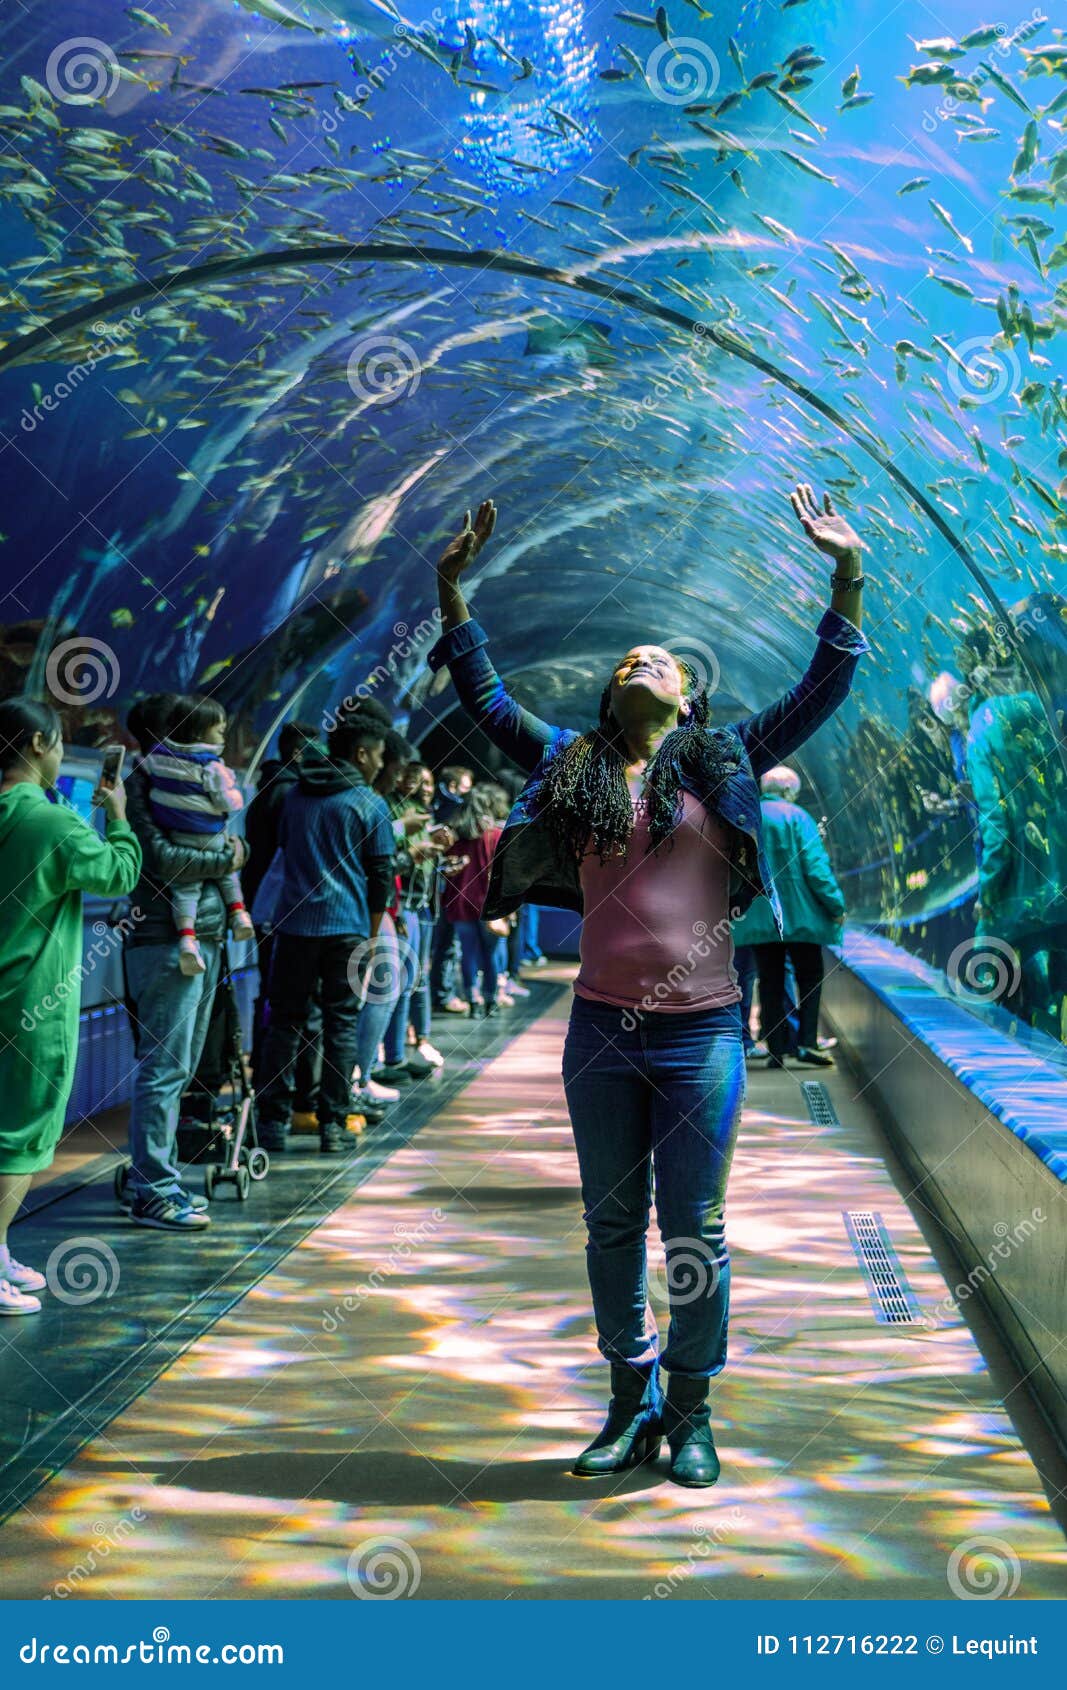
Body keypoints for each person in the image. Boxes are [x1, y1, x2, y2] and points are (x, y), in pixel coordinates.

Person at [428, 486, 869, 1487]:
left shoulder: (722, 760)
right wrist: (451, 592)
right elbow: (485, 702)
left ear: (690, 701)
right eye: (627, 658)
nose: (640, 660)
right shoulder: (571, 762)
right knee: (610, 1223)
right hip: (599, 1029)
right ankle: (626, 1399)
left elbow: (819, 690)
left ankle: (691, 1403)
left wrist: (845, 571)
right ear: (608, 694)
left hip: (701, 1030)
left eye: (660, 660)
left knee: (693, 1228)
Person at [0, 699, 141, 1312]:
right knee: (22, 1139)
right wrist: (119, 816)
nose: (61, 756)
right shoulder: (50, 823)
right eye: (58, 744)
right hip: (32, 1002)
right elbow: (118, 873)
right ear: (36, 744)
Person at [123, 693, 251, 1230]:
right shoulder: (143, 783)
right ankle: (152, 1188)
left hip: (207, 937)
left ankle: (156, 1178)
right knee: (164, 1066)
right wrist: (230, 857)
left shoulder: (195, 776)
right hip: (163, 938)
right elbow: (163, 857)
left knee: (181, 1067)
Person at [255, 707, 394, 1154]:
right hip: (347, 930)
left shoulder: (294, 796)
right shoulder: (370, 804)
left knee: (284, 1023)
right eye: (377, 756)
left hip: (293, 927)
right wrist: (373, 938)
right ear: (360, 753)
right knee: (341, 1025)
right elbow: (379, 877)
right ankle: (332, 1125)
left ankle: (271, 1122)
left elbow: (284, 848)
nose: (379, 764)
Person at [736, 766, 846, 1069]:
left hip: (761, 916)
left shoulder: (750, 815)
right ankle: (807, 1043)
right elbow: (816, 868)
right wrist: (836, 906)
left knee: (769, 980)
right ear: (789, 791)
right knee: (809, 976)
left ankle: (775, 1048)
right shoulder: (798, 817)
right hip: (801, 916)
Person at [140, 695, 254, 975]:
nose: (223, 737)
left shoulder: (155, 762)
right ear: (199, 731)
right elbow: (228, 803)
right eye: (220, 730)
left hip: (180, 836)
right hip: (211, 838)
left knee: (185, 891)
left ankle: (187, 940)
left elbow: (146, 767)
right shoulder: (211, 766)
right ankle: (239, 914)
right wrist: (234, 795)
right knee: (228, 875)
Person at [243, 721, 321, 1122]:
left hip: (263, 909)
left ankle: (266, 1082)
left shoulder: (264, 791)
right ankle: (289, 1095)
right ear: (297, 753)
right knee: (295, 1004)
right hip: (286, 912)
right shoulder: (290, 795)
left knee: (272, 997)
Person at [377, 759, 449, 1082]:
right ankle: (386, 1058)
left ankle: (396, 1054)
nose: (415, 783)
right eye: (407, 775)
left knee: (411, 980)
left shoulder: (417, 810)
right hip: (401, 902)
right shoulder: (388, 806)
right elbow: (390, 859)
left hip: (417, 902)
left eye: (421, 779)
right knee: (396, 983)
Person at [440, 783, 510, 1016]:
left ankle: (473, 999)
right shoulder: (497, 836)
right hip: (488, 903)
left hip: (459, 902)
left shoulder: (453, 837)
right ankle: (491, 999)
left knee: (467, 952)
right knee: (490, 953)